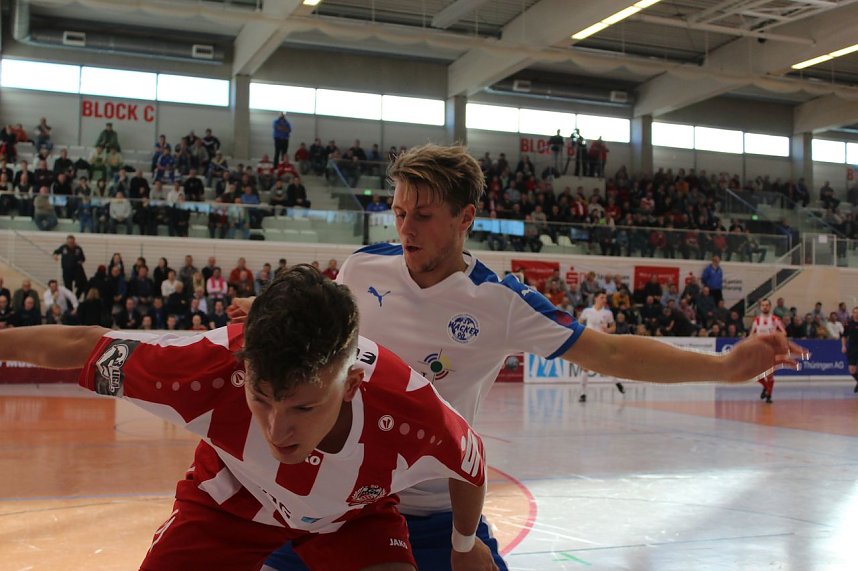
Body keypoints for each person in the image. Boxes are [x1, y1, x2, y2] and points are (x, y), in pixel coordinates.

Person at [230, 144, 806, 571]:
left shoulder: (501, 302)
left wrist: (724, 368)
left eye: (423, 216)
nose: (406, 228)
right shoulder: (362, 268)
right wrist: (265, 310)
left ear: (465, 218)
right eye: (399, 212)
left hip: (436, 513)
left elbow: (609, 351)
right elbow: (320, 328)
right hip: (337, 501)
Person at [0, 266, 495, 571]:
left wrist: (463, 545)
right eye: (261, 398)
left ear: (351, 385)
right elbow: (83, 343)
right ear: (243, 369)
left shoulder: (409, 411)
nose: (278, 430)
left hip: (350, 518)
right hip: (230, 504)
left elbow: (471, 464)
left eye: (303, 407)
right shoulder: (204, 372)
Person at [577, 291, 624, 402]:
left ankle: (616, 382)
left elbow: (613, 328)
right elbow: (579, 323)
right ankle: (583, 394)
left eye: (605, 298)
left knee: (604, 366)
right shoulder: (587, 311)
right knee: (585, 367)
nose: (604, 300)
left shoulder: (608, 313)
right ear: (596, 298)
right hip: (589, 341)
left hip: (601, 341)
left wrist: (607, 330)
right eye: (602, 297)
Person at [749, 298, 785, 404]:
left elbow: (783, 333)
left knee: (770, 374)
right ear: (760, 307)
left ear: (770, 307)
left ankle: (769, 395)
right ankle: (766, 387)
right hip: (759, 350)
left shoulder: (775, 320)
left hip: (771, 350)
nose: (765, 307)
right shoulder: (757, 321)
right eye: (763, 305)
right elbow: (751, 335)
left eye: (766, 305)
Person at [842, 306, 858, 393]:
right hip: (852, 348)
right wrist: (843, 346)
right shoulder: (848, 323)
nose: (856, 314)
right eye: (855, 312)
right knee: (852, 369)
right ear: (852, 313)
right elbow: (844, 336)